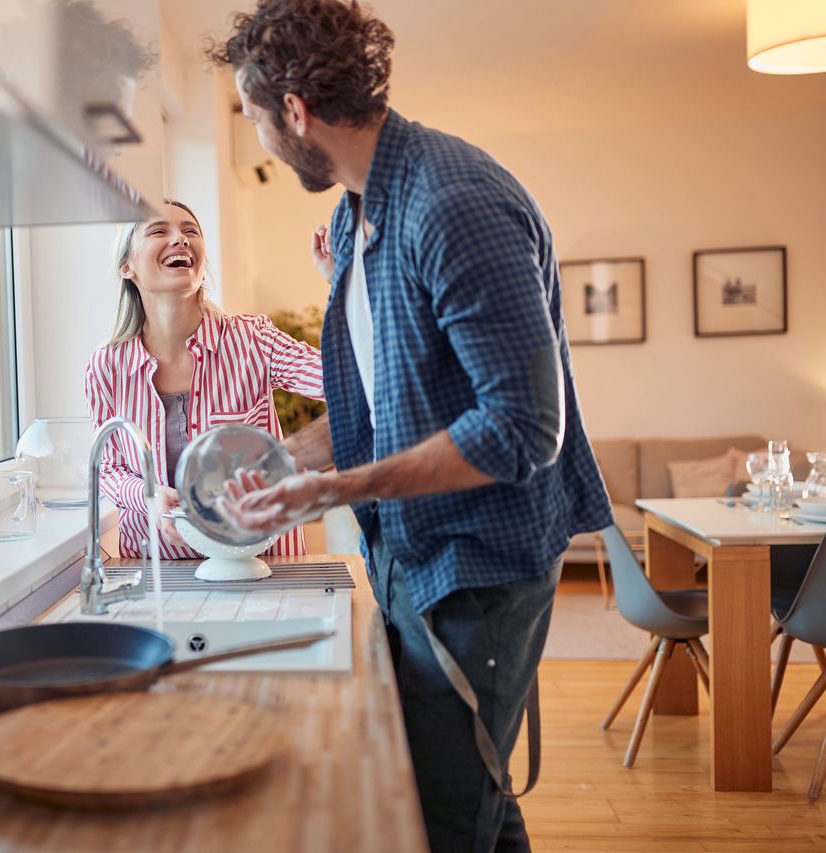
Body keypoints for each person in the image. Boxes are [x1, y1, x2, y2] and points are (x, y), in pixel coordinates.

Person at [207, 3, 614, 851]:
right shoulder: (361, 214)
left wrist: (337, 487)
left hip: (479, 570)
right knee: (473, 799)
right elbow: (376, 410)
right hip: (409, 556)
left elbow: (522, 429)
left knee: (442, 816)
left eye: (252, 120)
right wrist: (287, 462)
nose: (261, 146)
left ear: (294, 111)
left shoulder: (452, 201)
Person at [84, 199, 325, 559]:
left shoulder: (253, 339)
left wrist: (342, 283)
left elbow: (344, 381)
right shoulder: (107, 367)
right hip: (161, 570)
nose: (180, 239)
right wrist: (148, 497)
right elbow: (109, 467)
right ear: (127, 266)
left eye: (190, 231)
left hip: (264, 565)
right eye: (159, 231)